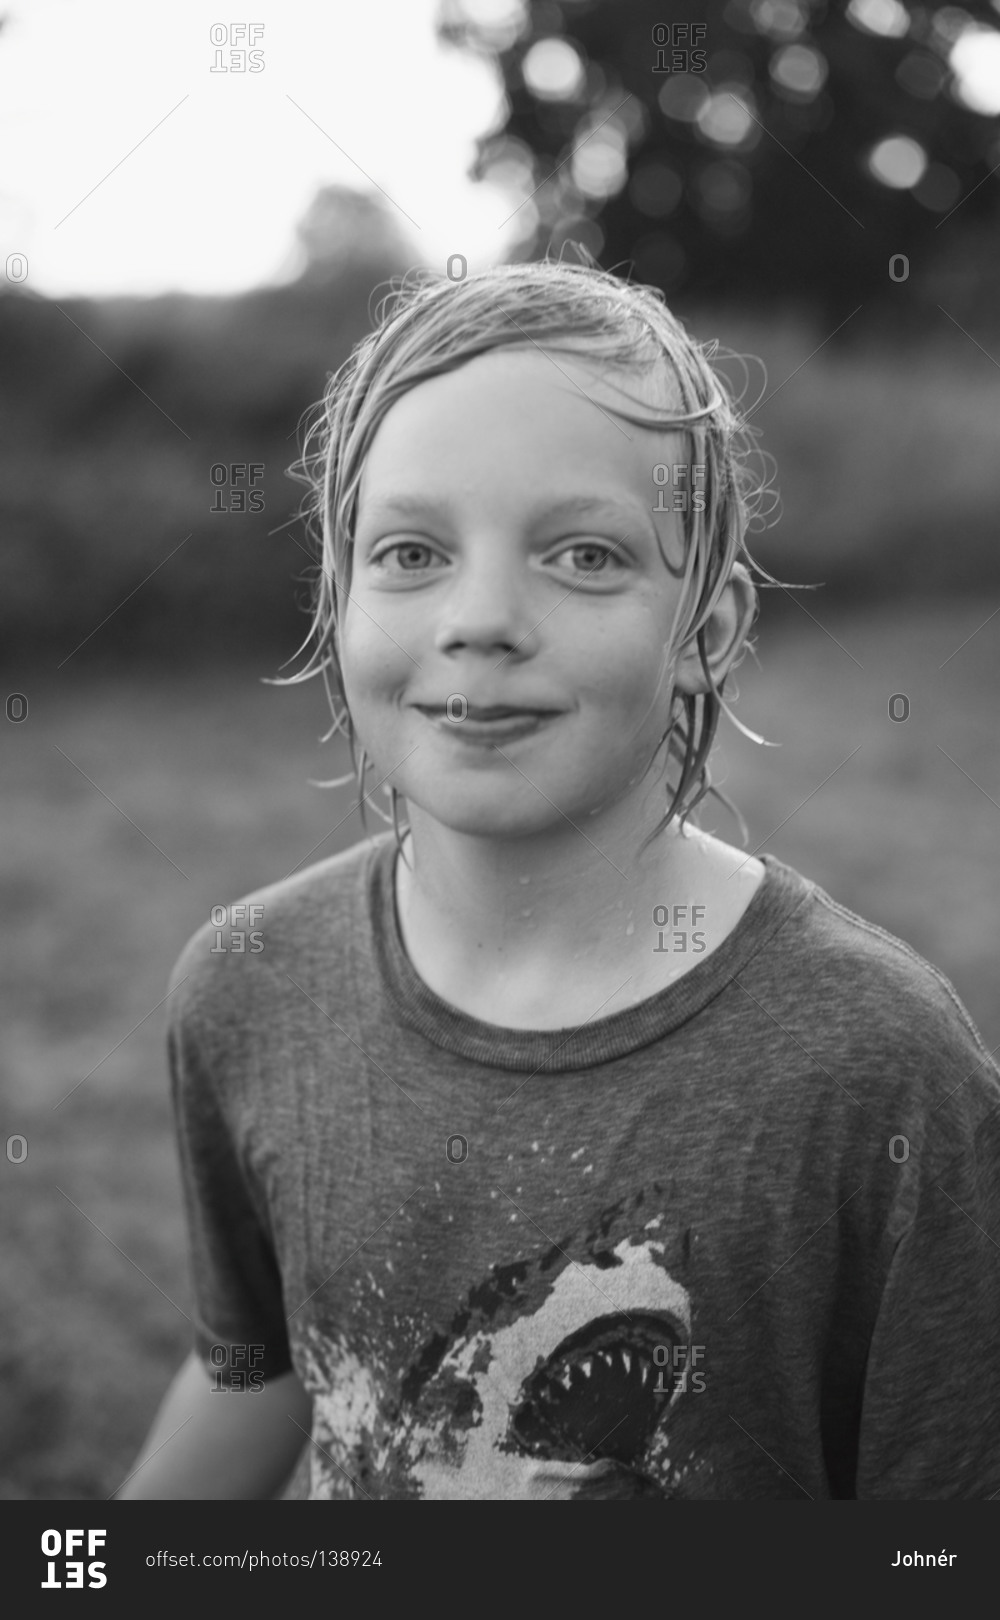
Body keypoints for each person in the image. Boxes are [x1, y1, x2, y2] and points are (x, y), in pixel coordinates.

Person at [118, 258, 1000, 1500]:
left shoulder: (875, 1071)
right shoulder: (247, 985)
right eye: (412, 552)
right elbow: (257, 1374)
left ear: (707, 632)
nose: (480, 617)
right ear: (338, 598)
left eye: (583, 556)